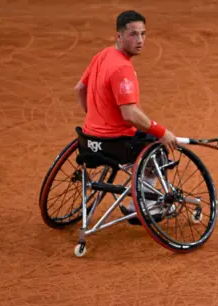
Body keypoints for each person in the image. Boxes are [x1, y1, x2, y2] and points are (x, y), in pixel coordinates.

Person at [73, 10, 176, 222]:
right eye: (133, 34)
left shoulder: (101, 56)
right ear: (119, 36)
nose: (140, 41)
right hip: (116, 144)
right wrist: (161, 131)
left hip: (89, 139)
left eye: (143, 34)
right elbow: (129, 115)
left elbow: (79, 89)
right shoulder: (122, 68)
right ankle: (143, 205)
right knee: (158, 148)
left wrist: (96, 116)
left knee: (146, 133)